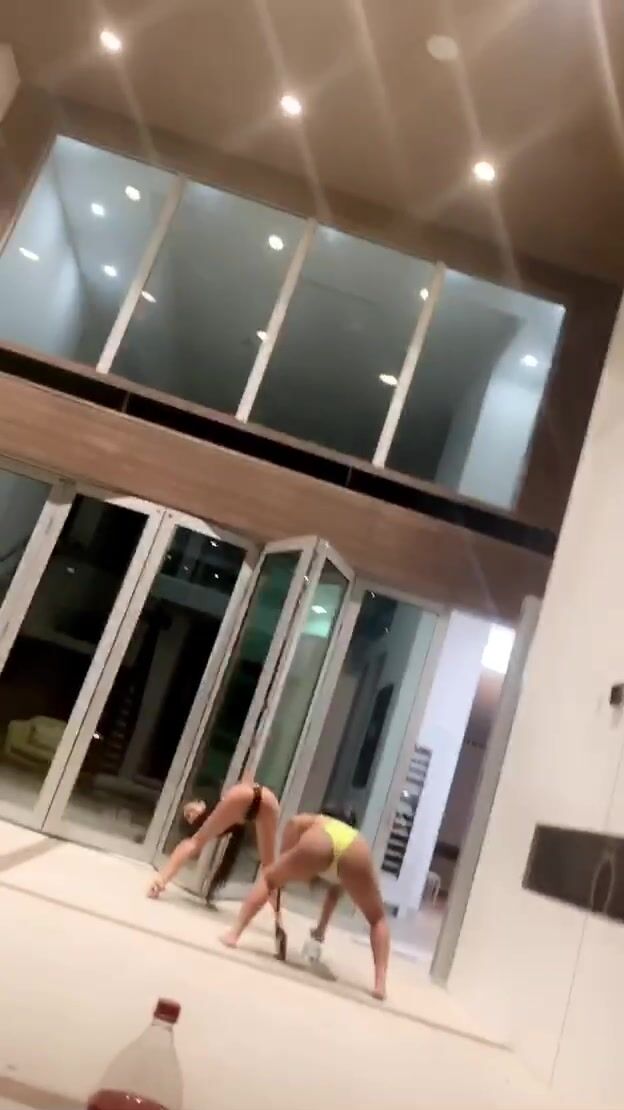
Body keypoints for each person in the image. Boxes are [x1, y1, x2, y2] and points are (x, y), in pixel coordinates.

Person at [220, 808, 390, 1000]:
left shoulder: (318, 820)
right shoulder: (351, 833)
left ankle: (233, 934)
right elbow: (334, 893)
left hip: (320, 841)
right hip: (356, 850)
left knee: (269, 878)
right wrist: (320, 930)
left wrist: (285, 857)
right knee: (377, 918)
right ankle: (380, 984)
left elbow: (293, 822)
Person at [147, 777, 279, 904]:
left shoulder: (210, 796)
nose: (191, 814)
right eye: (189, 817)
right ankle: (160, 881)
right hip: (261, 803)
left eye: (188, 812)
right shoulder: (216, 814)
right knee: (269, 867)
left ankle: (161, 881)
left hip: (262, 801)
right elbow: (192, 843)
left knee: (269, 867)